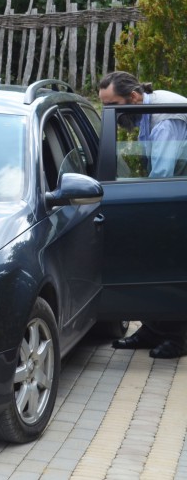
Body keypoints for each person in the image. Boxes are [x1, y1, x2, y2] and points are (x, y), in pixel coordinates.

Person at [99, 71, 187, 359]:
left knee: (168, 266)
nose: (111, 114)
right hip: (175, 191)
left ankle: (177, 338)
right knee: (154, 264)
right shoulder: (146, 110)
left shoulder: (164, 119)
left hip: (176, 195)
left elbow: (161, 173)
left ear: (134, 96)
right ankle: (152, 330)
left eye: (113, 105)